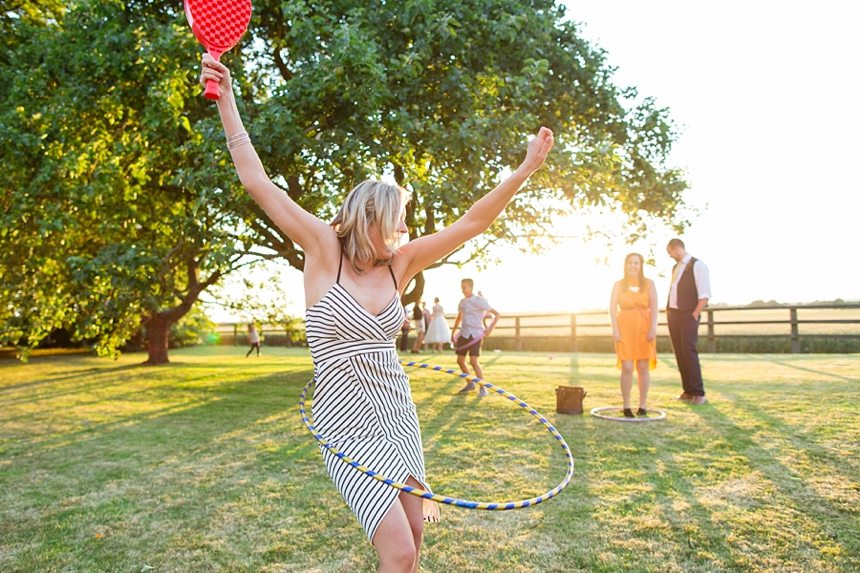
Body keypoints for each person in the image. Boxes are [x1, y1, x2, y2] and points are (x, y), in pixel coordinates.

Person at [199, 53, 554, 573]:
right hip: (345, 418)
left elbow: (472, 222)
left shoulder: (400, 265)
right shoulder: (323, 250)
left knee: (414, 538)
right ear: (370, 219)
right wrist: (227, 101)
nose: (404, 232)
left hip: (395, 408)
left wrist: (524, 170)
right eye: (397, 221)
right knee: (399, 550)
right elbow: (258, 182)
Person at [609, 253, 657, 417]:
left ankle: (642, 405)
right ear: (625, 265)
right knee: (627, 367)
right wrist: (615, 329)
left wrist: (653, 328)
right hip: (624, 327)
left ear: (641, 265)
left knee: (643, 366)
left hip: (644, 326)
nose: (633, 266)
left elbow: (655, 307)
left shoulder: (649, 284)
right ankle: (626, 405)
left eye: (636, 263)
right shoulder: (618, 285)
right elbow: (612, 308)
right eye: (630, 263)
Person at [666, 238, 711, 405]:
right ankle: (688, 390)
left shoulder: (697, 265)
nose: (670, 256)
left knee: (689, 352)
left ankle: (699, 393)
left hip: (688, 315)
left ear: (675, 248)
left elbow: (704, 294)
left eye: (670, 252)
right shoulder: (675, 268)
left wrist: (694, 314)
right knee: (679, 352)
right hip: (674, 314)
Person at [451, 279, 500, 398]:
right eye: (461, 287)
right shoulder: (462, 302)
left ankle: (483, 388)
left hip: (476, 335)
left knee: (473, 361)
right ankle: (470, 384)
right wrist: (453, 333)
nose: (463, 290)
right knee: (460, 361)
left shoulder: (479, 301)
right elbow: (459, 317)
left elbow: (497, 314)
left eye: (465, 288)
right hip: (464, 334)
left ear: (471, 287)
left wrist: (489, 329)